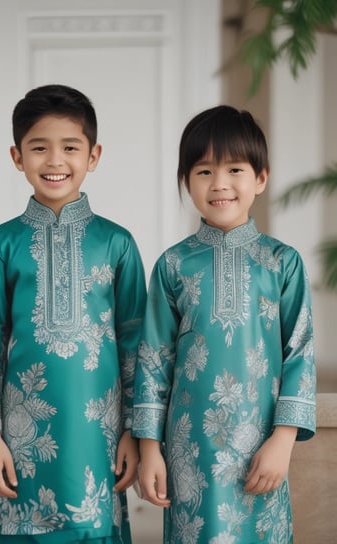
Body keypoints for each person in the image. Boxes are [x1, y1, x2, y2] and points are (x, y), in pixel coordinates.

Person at [0, 84, 147, 543]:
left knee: (94, 530)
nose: (55, 161)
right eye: (39, 148)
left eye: (70, 148)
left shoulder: (116, 243)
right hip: (22, 438)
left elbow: (138, 346)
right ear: (17, 157)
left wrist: (134, 433)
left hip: (100, 435)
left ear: (94, 155)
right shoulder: (1, 244)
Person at [132, 105, 316, 543]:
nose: (219, 184)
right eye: (202, 171)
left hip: (262, 447)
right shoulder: (173, 265)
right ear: (185, 182)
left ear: (261, 178)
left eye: (234, 168)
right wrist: (149, 450)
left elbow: (300, 351)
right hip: (187, 449)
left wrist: (283, 441)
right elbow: (153, 360)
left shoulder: (282, 262)